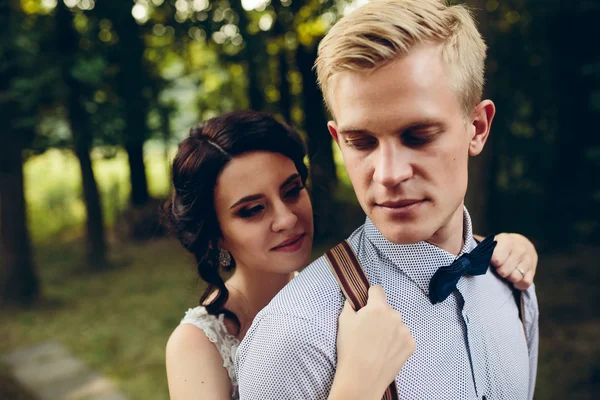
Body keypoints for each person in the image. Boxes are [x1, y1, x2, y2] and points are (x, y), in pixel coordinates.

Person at [236, 1, 539, 400]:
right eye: (361, 142)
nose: (388, 173)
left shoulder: (514, 285)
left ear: (477, 128)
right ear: (338, 140)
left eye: (418, 135)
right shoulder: (295, 334)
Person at [164, 111, 538, 400]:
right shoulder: (197, 343)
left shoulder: (334, 290)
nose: (286, 218)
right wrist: (358, 383)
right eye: (252, 210)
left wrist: (508, 248)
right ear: (215, 237)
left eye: (292, 190)